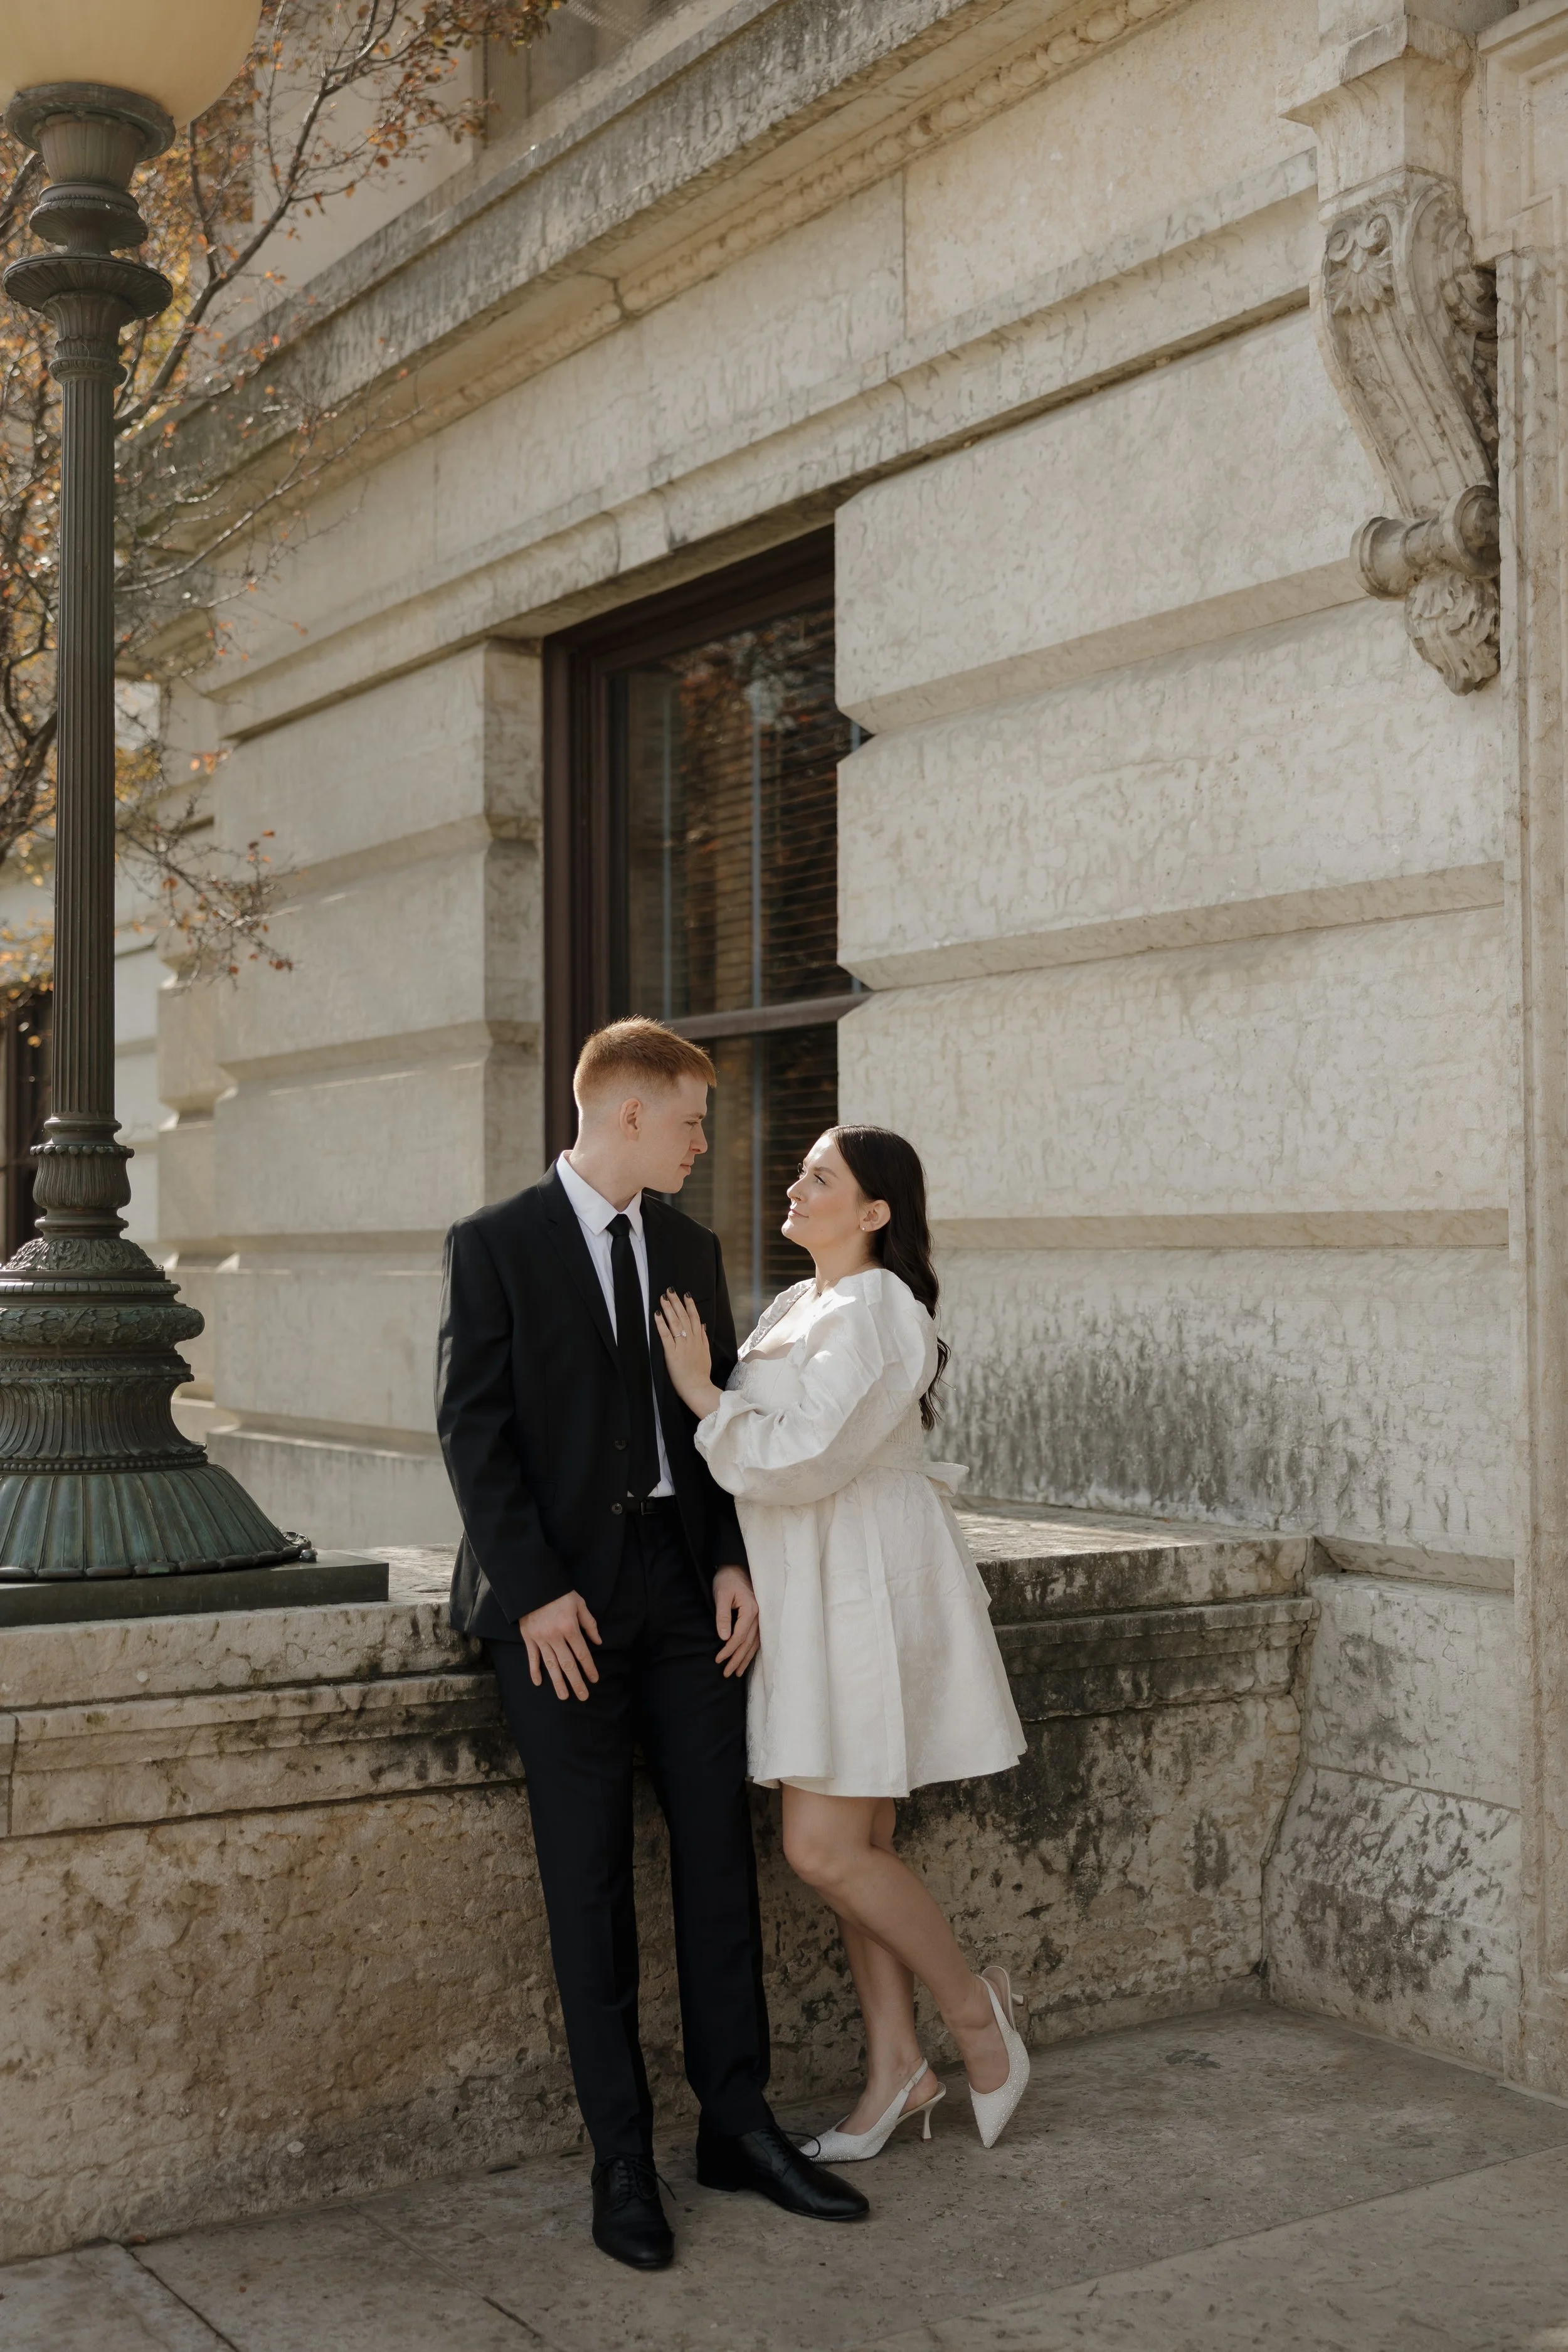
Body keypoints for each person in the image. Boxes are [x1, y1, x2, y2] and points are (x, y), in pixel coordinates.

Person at [435, 1019, 869, 2272]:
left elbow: (707, 1422)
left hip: (684, 1605)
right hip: (559, 1616)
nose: (704, 1140)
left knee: (720, 1868)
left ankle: (735, 2124)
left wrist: (730, 1560)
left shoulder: (687, 1245)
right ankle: (620, 2156)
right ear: (627, 1113)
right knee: (587, 1890)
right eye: (690, 1120)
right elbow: (472, 1435)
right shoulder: (494, 1245)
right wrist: (532, 1594)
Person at [654, 1123, 1030, 2164]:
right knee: (858, 1850)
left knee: (820, 1849)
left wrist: (699, 1392)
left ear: (875, 1213)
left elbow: (807, 1457)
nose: (796, 1182)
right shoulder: (795, 1305)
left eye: (822, 1176)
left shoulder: (880, 1305)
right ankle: (896, 2068)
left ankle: (974, 2016)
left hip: (860, 1590)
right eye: (802, 1168)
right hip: (814, 1588)